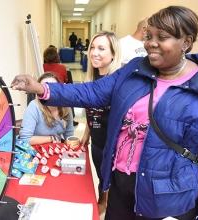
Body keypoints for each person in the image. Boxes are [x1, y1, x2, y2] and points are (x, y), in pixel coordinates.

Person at [11, 6, 198, 220]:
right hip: (121, 186)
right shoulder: (135, 70)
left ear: (186, 42)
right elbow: (93, 92)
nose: (151, 44)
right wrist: (42, 88)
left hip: (167, 199)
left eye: (162, 37)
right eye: (149, 36)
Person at [80, 31, 121, 214]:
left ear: (113, 54)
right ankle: (101, 202)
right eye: (92, 48)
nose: (94, 53)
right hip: (96, 143)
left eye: (101, 48)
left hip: (114, 147)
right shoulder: (91, 80)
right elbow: (92, 114)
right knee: (101, 179)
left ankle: (107, 207)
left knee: (112, 184)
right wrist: (86, 135)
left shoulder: (118, 83)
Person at [18, 72, 74, 145]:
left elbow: (69, 136)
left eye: (54, 87)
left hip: (55, 150)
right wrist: (52, 138)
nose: (49, 92)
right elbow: (25, 139)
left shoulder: (66, 107)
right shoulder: (34, 106)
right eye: (44, 88)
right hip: (35, 151)